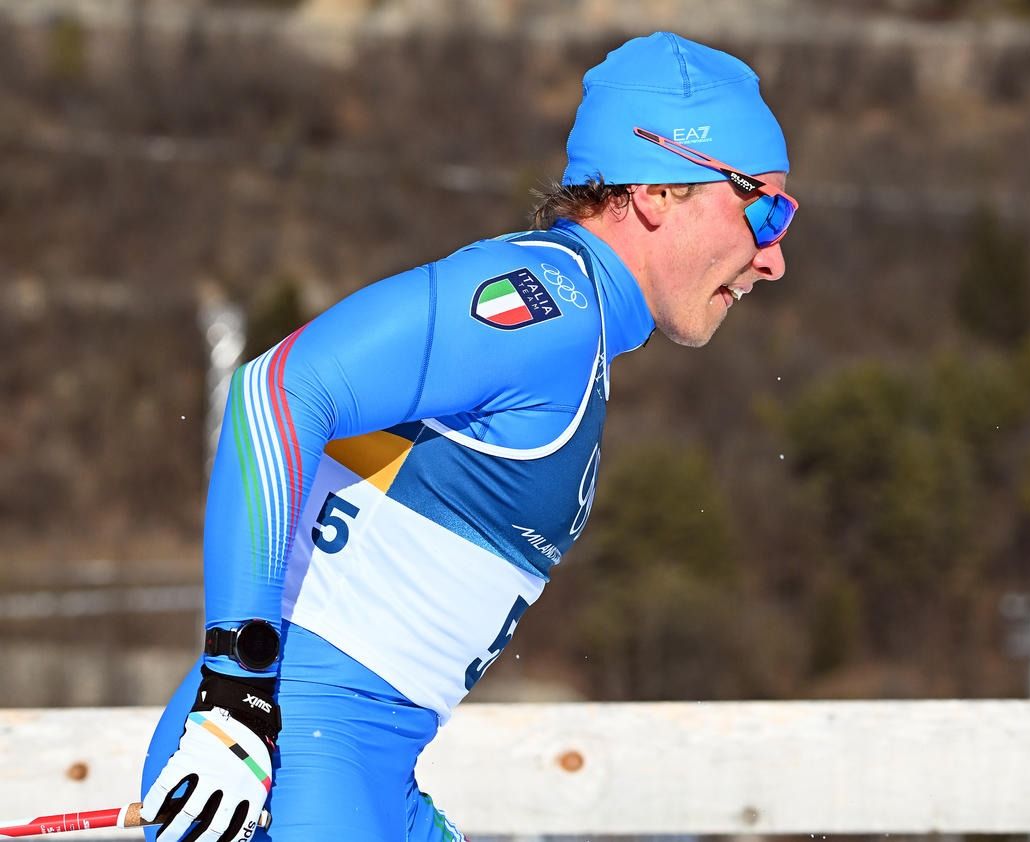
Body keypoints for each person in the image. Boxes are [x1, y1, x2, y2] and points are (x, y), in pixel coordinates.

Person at [141, 30, 796, 842]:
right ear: (659, 189)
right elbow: (275, 391)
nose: (773, 258)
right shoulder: (549, 304)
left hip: (354, 768)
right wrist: (232, 694)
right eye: (764, 209)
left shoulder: (580, 334)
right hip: (286, 755)